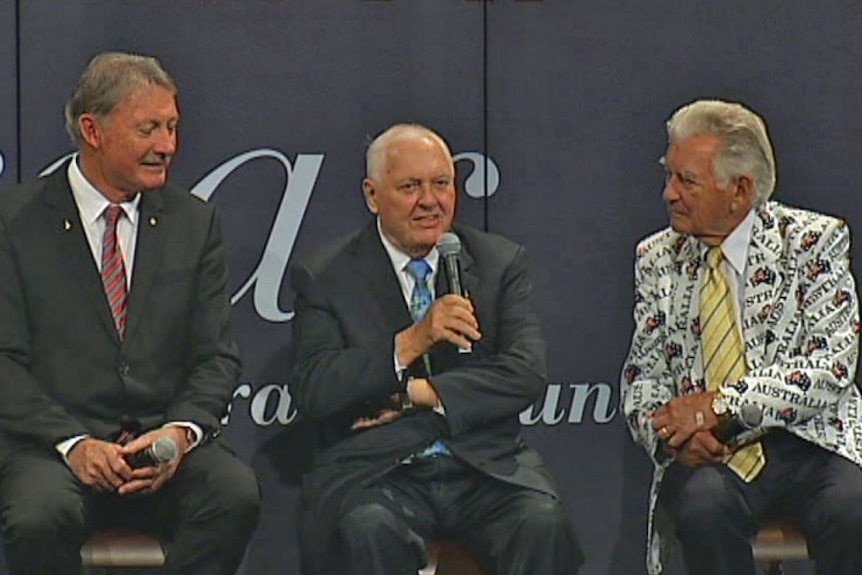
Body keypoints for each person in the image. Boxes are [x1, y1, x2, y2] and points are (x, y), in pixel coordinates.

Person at [0, 52, 260, 575]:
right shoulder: (16, 223)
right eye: (149, 129)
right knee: (36, 516)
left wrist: (178, 436)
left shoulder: (194, 222)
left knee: (234, 494)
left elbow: (216, 357)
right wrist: (73, 444)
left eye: (171, 127)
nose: (168, 145)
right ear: (93, 130)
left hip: (160, 450)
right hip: (56, 453)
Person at [290, 123, 583, 575]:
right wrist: (412, 341)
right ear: (372, 195)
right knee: (367, 530)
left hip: (485, 467)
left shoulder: (497, 263)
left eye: (442, 184)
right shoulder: (326, 275)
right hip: (379, 471)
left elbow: (524, 374)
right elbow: (315, 388)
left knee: (542, 523)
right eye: (410, 187)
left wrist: (417, 395)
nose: (431, 201)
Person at [621, 99, 862, 575]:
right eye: (669, 176)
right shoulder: (657, 258)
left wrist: (723, 405)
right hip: (712, 454)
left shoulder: (813, 242)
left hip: (806, 443)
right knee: (701, 507)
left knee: (853, 506)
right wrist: (670, 439)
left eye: (686, 181)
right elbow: (642, 381)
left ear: (740, 191)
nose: (669, 194)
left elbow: (832, 368)